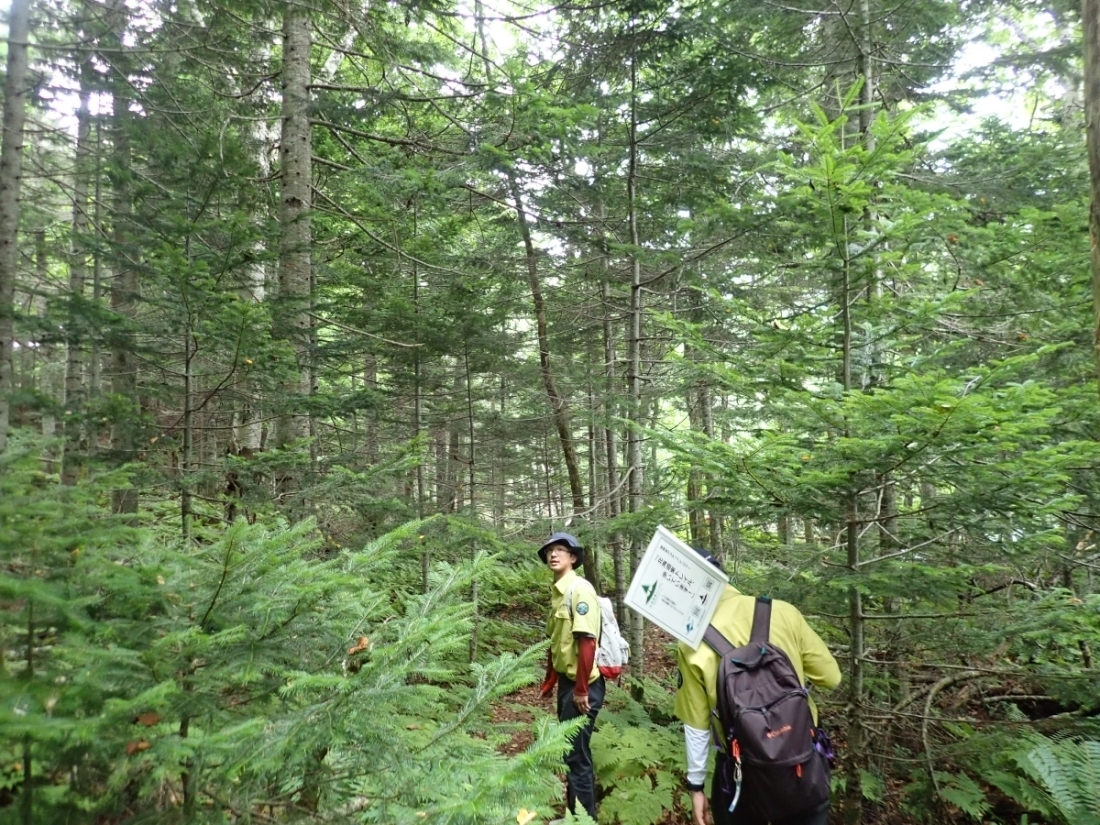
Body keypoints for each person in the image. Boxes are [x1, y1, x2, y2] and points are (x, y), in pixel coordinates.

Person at [674, 548, 842, 825]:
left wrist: (696, 787)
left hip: (740, 776)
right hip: (801, 762)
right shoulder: (784, 612)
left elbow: (697, 725)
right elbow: (831, 678)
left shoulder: (691, 642)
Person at [538, 531, 605, 821]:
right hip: (569, 684)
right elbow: (557, 643)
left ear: (573, 557)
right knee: (570, 751)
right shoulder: (558, 593)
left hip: (584, 686)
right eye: (549, 551)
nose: (553, 554)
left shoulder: (580, 590)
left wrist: (580, 690)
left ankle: (583, 819)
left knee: (577, 756)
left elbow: (587, 642)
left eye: (560, 550)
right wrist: (550, 681)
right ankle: (574, 816)